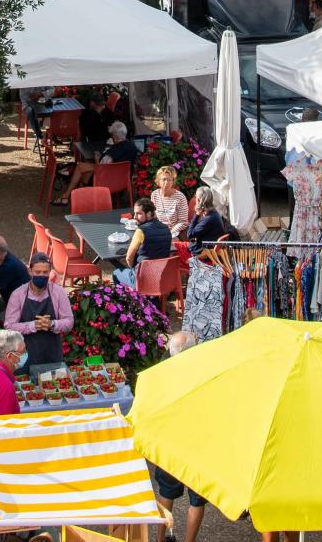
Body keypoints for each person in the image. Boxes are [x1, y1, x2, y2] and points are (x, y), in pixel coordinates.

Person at [150, 332, 211, 542]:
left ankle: (160, 539)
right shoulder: (203, 372)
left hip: (170, 442)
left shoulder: (162, 371)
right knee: (197, 499)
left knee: (166, 491)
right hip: (198, 442)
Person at [5, 253, 74, 376]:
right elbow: (9, 326)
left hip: (52, 353)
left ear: (50, 272)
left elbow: (69, 322)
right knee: (26, 385)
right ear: (30, 271)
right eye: (37, 272)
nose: (41, 275)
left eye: (45, 272)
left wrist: (52, 324)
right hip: (24, 355)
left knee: (53, 384)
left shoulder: (59, 292)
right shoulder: (18, 294)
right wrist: (34, 325)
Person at [58, 120, 138, 204]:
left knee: (81, 170)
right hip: (123, 181)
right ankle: (75, 195)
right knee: (81, 168)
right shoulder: (133, 148)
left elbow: (101, 167)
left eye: (112, 135)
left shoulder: (111, 154)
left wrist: (97, 158)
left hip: (106, 181)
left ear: (115, 136)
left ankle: (68, 197)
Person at [116, 198, 175, 287]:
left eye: (139, 213)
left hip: (142, 279)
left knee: (116, 273)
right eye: (135, 213)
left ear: (149, 214)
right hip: (161, 277)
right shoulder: (166, 228)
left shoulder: (140, 231)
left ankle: (129, 295)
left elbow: (129, 258)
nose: (134, 217)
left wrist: (133, 269)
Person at [182, 185, 234, 250]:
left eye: (195, 197)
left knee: (177, 246)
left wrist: (196, 215)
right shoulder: (214, 213)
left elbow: (189, 234)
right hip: (206, 247)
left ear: (198, 200)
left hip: (203, 252)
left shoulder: (209, 219)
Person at [151, 166, 191, 234]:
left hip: (174, 232)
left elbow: (183, 222)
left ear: (173, 181)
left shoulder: (180, 197)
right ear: (158, 180)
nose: (166, 182)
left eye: (169, 180)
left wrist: (170, 232)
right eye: (164, 179)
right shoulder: (154, 195)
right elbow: (153, 217)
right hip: (158, 230)